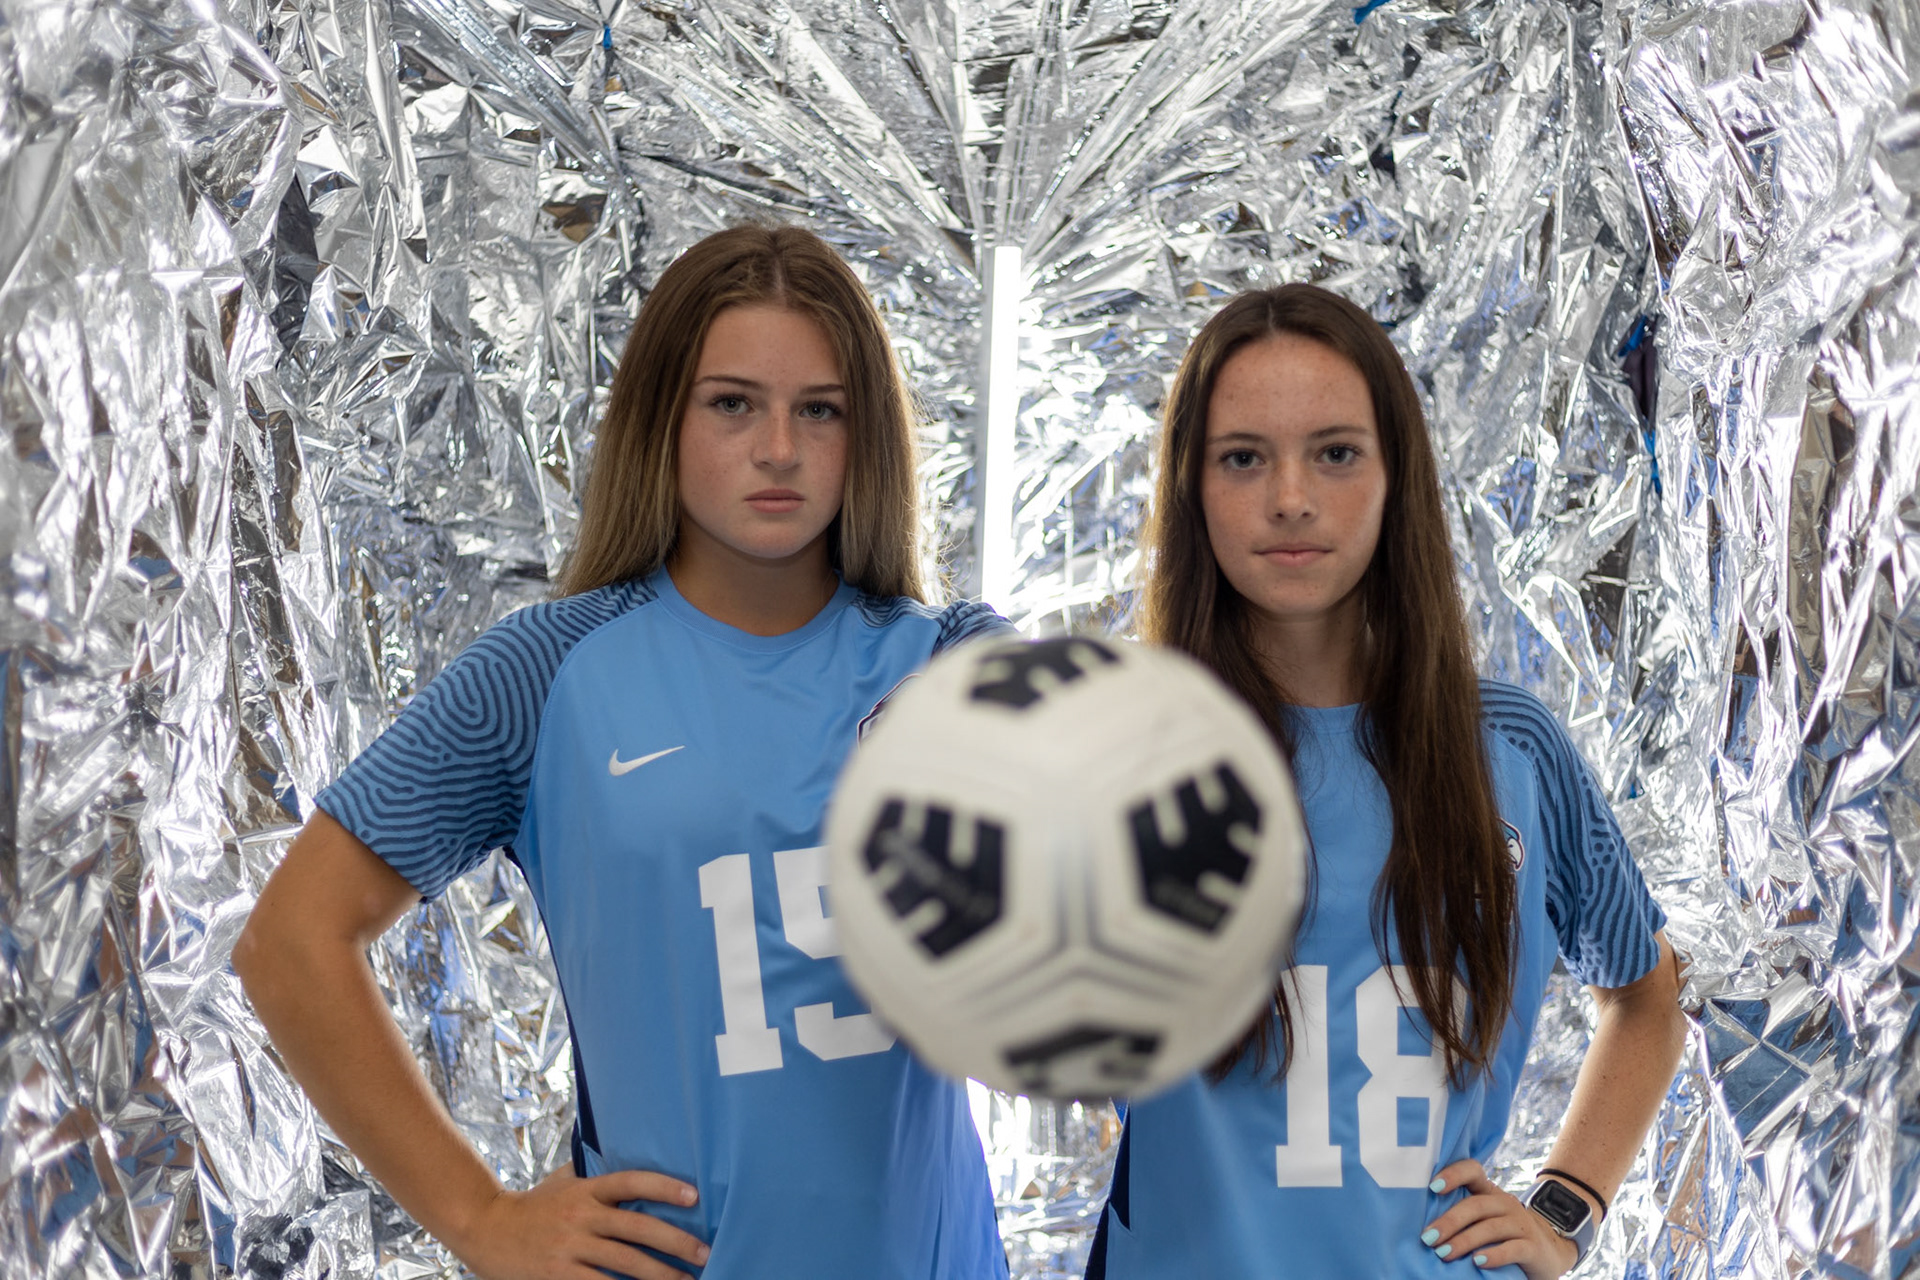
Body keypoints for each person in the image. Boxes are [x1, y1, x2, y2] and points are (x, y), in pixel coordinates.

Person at [234, 224, 1012, 1280]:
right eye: (733, 403)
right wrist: (480, 1216)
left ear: (866, 432)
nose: (779, 448)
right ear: (662, 418)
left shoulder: (954, 658)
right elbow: (290, 941)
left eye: (819, 409)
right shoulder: (550, 672)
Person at [1085, 284, 1687, 1280]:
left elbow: (1649, 995)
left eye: (1334, 451)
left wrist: (1565, 1211)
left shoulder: (1511, 747)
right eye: (1243, 456)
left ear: (1395, 472)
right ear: (1191, 486)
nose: (1290, 496)